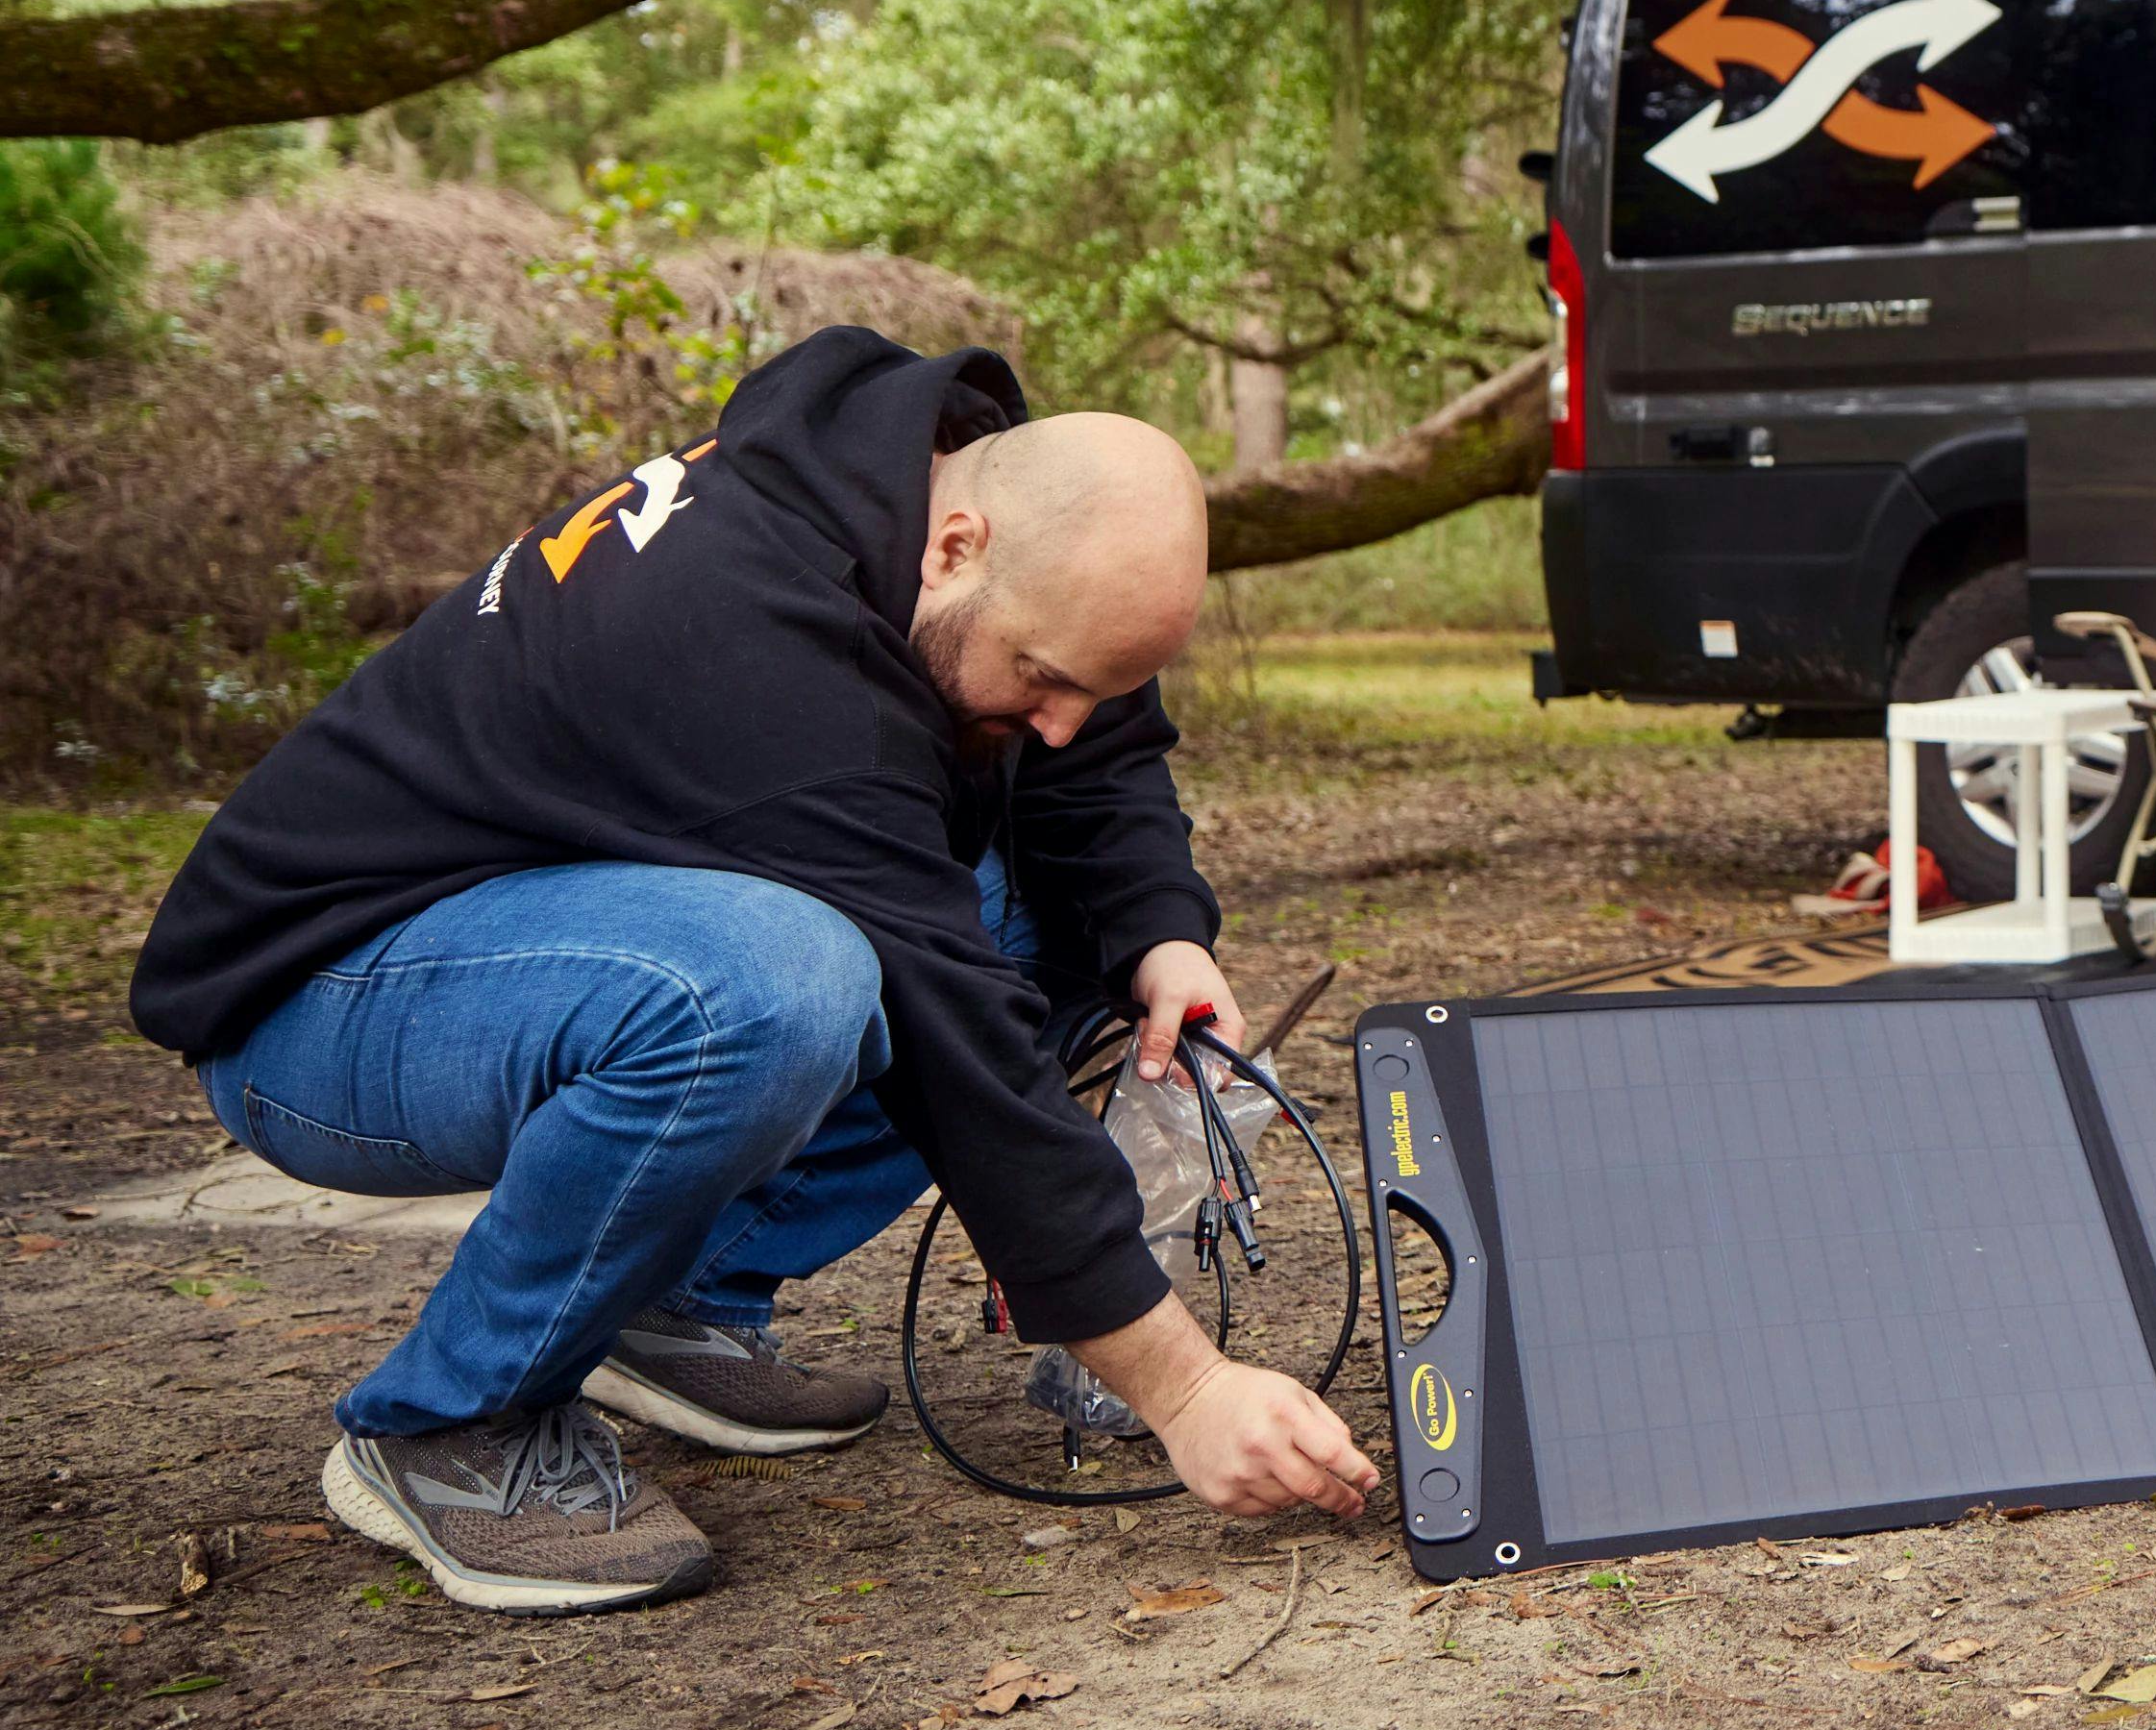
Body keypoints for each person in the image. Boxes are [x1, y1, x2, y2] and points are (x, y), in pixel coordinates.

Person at [128, 328, 1378, 1615]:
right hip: (323, 991)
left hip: (544, 922)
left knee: (1039, 927)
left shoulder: (927, 491)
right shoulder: (761, 644)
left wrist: (1162, 933)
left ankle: (679, 1298)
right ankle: (450, 1422)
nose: (1060, 720)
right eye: (1048, 679)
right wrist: (1184, 1385)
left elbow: (1091, 749)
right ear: (956, 547)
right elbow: (960, 1043)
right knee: (782, 983)